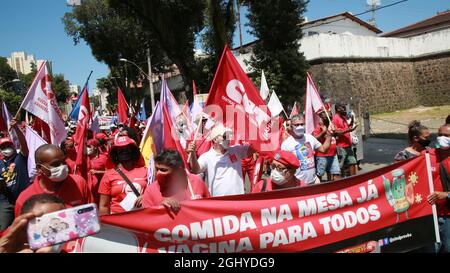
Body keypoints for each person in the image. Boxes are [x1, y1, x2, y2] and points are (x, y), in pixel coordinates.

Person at [14, 144, 92, 217]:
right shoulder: (25, 199)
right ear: (39, 168)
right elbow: (22, 229)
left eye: (64, 162)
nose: (63, 167)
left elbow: (91, 215)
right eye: (55, 164)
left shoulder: (79, 183)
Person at [187, 124, 254, 197]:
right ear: (215, 140)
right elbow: (195, 170)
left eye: (228, 136)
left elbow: (254, 149)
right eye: (224, 136)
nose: (228, 139)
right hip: (219, 202)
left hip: (238, 199)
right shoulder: (207, 156)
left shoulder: (236, 150)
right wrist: (192, 154)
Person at [142, 150, 210, 213]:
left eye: (163, 170)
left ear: (178, 170)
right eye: (157, 169)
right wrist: (161, 209)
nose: (158, 173)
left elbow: (210, 207)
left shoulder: (196, 181)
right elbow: (147, 221)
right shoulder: (151, 191)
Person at [0, 194, 66, 253]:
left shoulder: (72, 247)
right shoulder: (9, 245)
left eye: (59, 222)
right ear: (25, 228)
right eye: (43, 223)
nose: (53, 229)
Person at [98, 136, 147, 215]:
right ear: (115, 153)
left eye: (127, 149)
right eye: (120, 150)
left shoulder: (145, 171)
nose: (124, 152)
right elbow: (104, 206)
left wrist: (147, 196)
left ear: (133, 151)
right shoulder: (108, 175)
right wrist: (106, 225)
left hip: (142, 218)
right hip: (117, 221)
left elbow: (156, 194)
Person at [281, 114, 332, 186]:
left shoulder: (310, 138)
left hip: (314, 181)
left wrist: (329, 137)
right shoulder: (286, 144)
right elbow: (283, 165)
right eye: (297, 125)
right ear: (291, 127)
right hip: (297, 184)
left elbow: (323, 149)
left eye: (302, 124)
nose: (300, 127)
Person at [0, 119, 30, 231]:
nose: (6, 149)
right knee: (3, 229)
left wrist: (16, 128)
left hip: (23, 199)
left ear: (13, 146)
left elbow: (24, 145)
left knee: (27, 228)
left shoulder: (20, 158)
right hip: (6, 203)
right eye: (3, 147)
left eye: (9, 146)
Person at [427, 124, 450, 253]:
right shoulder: (427, 156)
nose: (442, 138)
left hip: (448, 216)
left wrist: (446, 195)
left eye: (446, 136)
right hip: (430, 214)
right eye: (439, 135)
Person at [312, 111, 341, 182]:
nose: (329, 117)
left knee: (336, 173)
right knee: (320, 174)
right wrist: (323, 132)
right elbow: (314, 139)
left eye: (331, 116)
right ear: (322, 118)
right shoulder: (319, 126)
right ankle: (319, 188)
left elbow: (337, 136)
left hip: (333, 155)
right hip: (322, 155)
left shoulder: (332, 125)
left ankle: (336, 189)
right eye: (327, 116)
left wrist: (336, 132)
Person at [332, 103, 358, 176]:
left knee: (352, 162)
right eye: (342, 107)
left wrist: (352, 120)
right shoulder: (335, 118)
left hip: (348, 145)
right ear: (338, 109)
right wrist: (348, 130)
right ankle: (341, 181)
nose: (344, 108)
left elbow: (347, 127)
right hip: (341, 146)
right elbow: (336, 132)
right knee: (341, 165)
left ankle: (353, 180)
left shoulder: (343, 117)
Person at [87, 139, 108, 205]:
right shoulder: (85, 158)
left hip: (100, 188)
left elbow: (110, 172)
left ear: (95, 147)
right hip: (89, 188)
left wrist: (98, 172)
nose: (87, 148)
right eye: (86, 146)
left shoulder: (104, 158)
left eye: (89, 146)